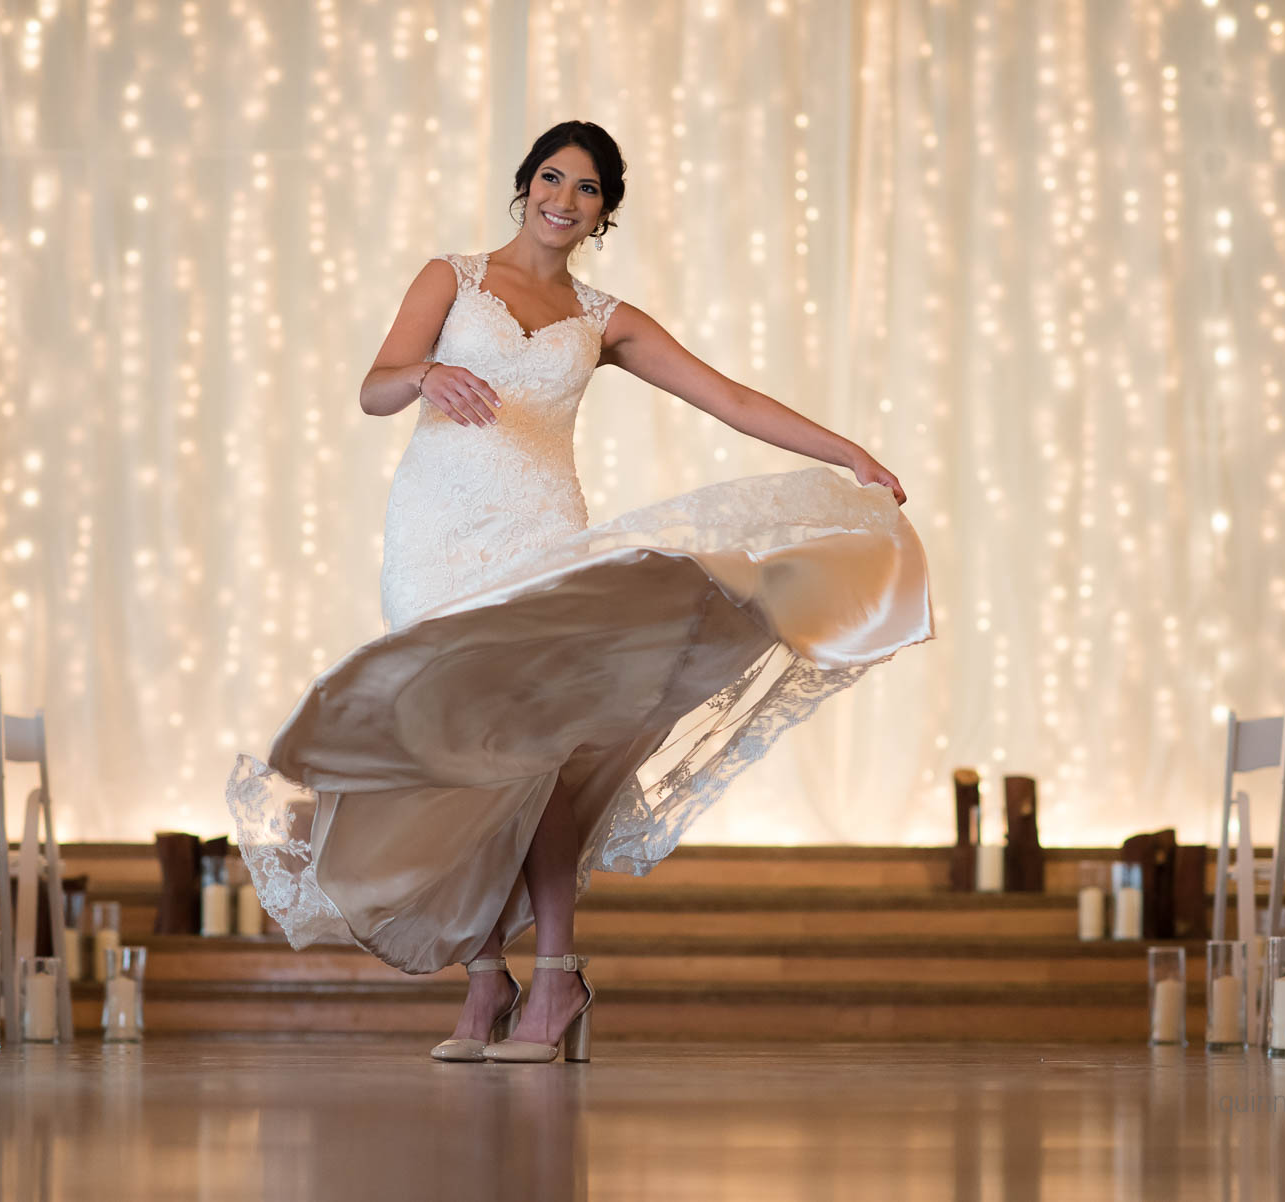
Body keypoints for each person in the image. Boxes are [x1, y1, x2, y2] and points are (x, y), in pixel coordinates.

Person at [225, 120, 933, 1064]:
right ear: (524, 186)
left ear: (606, 209)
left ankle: (555, 979)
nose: (565, 198)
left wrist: (848, 454)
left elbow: (731, 399)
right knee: (452, 750)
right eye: (551, 178)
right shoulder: (452, 276)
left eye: (588, 188)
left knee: (535, 752)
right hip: (436, 536)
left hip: (541, 534)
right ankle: (486, 983)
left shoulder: (606, 318)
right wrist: (426, 375)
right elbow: (373, 389)